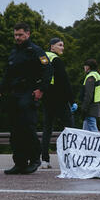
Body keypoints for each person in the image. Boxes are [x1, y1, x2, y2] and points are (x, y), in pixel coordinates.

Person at [0, 22, 51, 175]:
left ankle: (34, 159)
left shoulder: (36, 51)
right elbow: (7, 75)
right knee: (15, 130)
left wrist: (41, 89)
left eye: (20, 35)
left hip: (29, 92)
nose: (17, 38)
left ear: (28, 34)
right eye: (15, 35)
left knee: (27, 127)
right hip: (14, 94)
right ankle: (19, 163)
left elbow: (48, 70)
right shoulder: (14, 52)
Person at [40, 37, 75, 168]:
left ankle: (45, 160)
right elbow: (64, 81)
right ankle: (72, 158)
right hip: (59, 98)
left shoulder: (42, 58)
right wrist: (72, 100)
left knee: (47, 129)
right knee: (70, 128)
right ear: (52, 46)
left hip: (46, 97)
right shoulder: (56, 60)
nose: (62, 48)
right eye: (60, 45)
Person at [79, 59, 100, 132]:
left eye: (85, 66)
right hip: (96, 105)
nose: (84, 68)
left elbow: (88, 94)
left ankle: (98, 139)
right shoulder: (98, 75)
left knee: (92, 127)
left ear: (88, 67)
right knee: (86, 130)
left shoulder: (91, 76)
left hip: (90, 107)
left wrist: (84, 108)